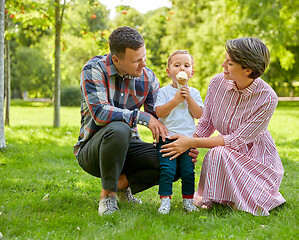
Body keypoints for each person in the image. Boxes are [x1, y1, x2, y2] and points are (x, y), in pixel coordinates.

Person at [73, 26, 199, 216]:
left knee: (174, 161)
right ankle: (107, 196)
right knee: (119, 128)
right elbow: (100, 113)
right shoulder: (94, 69)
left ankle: (121, 186)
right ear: (116, 60)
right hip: (94, 149)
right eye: (136, 61)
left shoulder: (148, 78)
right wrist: (141, 117)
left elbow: (159, 118)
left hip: (129, 146)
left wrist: (185, 143)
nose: (143, 64)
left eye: (144, 57)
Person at [160, 37, 286, 216]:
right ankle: (223, 200)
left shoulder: (267, 98)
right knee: (218, 153)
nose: (223, 64)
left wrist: (191, 141)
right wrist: (190, 145)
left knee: (218, 152)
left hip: (255, 158)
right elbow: (206, 122)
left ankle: (239, 199)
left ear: (248, 70)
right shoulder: (217, 83)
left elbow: (236, 140)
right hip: (224, 150)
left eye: (230, 62)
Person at [155, 50, 204, 214]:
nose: (182, 68)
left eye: (186, 65)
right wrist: (176, 100)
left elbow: (198, 114)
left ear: (191, 72)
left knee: (188, 172)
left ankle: (188, 201)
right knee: (167, 171)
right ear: (169, 71)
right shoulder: (164, 92)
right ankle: (165, 201)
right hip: (167, 139)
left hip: (187, 140)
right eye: (177, 65)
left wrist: (188, 98)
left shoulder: (194, 93)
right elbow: (160, 113)